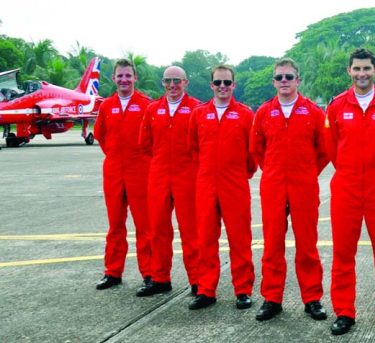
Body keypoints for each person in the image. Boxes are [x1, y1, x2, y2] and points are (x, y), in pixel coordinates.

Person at [324, 48, 375, 335]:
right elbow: (331, 147)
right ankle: (344, 312)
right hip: (346, 186)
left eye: (367, 69)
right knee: (343, 254)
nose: (362, 74)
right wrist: (349, 170)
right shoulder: (336, 106)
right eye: (357, 69)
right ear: (349, 71)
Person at [250, 58, 329, 321]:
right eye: (279, 77)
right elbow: (257, 149)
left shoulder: (314, 112)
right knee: (272, 244)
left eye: (289, 77)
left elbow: (324, 150)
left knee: (307, 244)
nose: (284, 81)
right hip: (273, 184)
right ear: (273, 82)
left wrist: (306, 171)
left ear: (298, 80)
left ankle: (312, 298)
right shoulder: (263, 112)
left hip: (304, 184)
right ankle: (272, 298)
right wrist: (273, 171)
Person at [187, 65, 257, 310]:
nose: (223, 87)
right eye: (218, 83)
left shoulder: (246, 115)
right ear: (211, 86)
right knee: (205, 238)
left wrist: (238, 174)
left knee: (240, 239)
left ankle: (243, 289)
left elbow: (253, 155)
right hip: (206, 183)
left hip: (234, 183)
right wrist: (207, 173)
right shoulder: (198, 114)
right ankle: (206, 290)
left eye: (227, 83)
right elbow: (193, 149)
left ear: (234, 85)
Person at [137, 66, 202, 297]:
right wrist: (160, 164)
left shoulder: (197, 108)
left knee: (191, 231)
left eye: (177, 80)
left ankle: (197, 280)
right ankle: (160, 277)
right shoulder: (153, 109)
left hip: (187, 177)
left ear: (186, 82)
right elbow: (144, 144)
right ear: (162, 83)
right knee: (157, 229)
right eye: (167, 81)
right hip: (159, 176)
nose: (172, 85)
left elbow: (201, 144)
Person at [94, 58, 153, 291]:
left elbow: (152, 140)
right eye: (120, 75)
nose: (124, 79)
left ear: (135, 78)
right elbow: (100, 135)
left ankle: (150, 272)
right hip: (114, 172)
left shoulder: (147, 105)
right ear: (114, 78)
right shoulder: (106, 106)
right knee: (115, 224)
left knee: (144, 225)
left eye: (128, 75)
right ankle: (112, 272)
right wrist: (115, 157)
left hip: (140, 171)